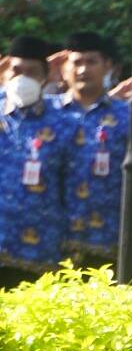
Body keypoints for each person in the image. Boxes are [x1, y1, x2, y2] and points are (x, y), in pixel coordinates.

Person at [49, 32, 131, 270]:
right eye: (77, 62)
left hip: (107, 238)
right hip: (50, 240)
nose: (83, 69)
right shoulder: (45, 112)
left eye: (91, 62)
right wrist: (45, 76)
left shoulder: (126, 116)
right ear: (65, 67)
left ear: (108, 66)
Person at [0, 36, 77, 287]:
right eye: (16, 70)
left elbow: (73, 182)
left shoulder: (64, 120)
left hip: (41, 246)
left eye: (31, 72)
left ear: (45, 77)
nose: (23, 78)